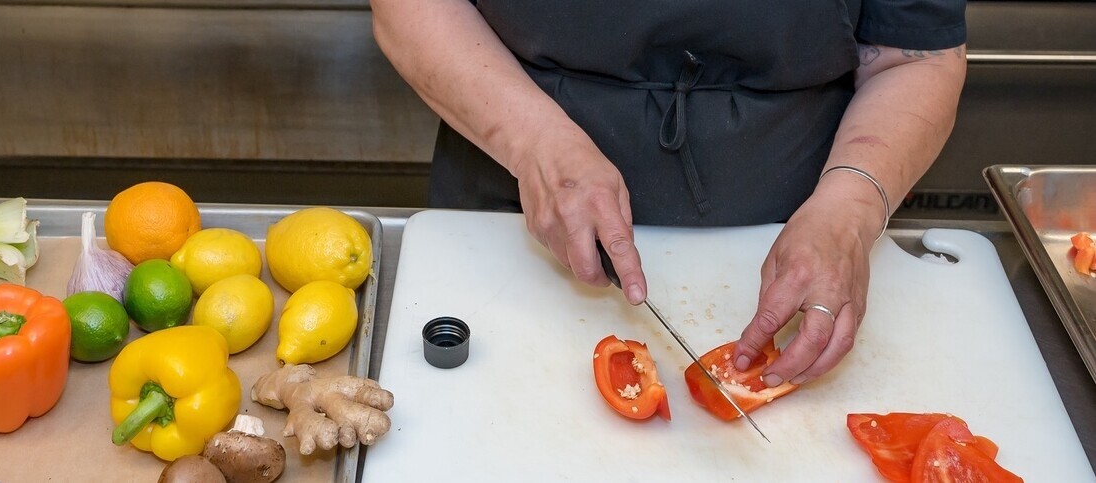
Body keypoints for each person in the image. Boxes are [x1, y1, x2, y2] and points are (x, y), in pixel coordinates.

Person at [371, 2, 966, 386]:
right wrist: (533, 143)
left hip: (803, 216)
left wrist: (851, 208)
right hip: (510, 212)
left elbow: (914, 56)